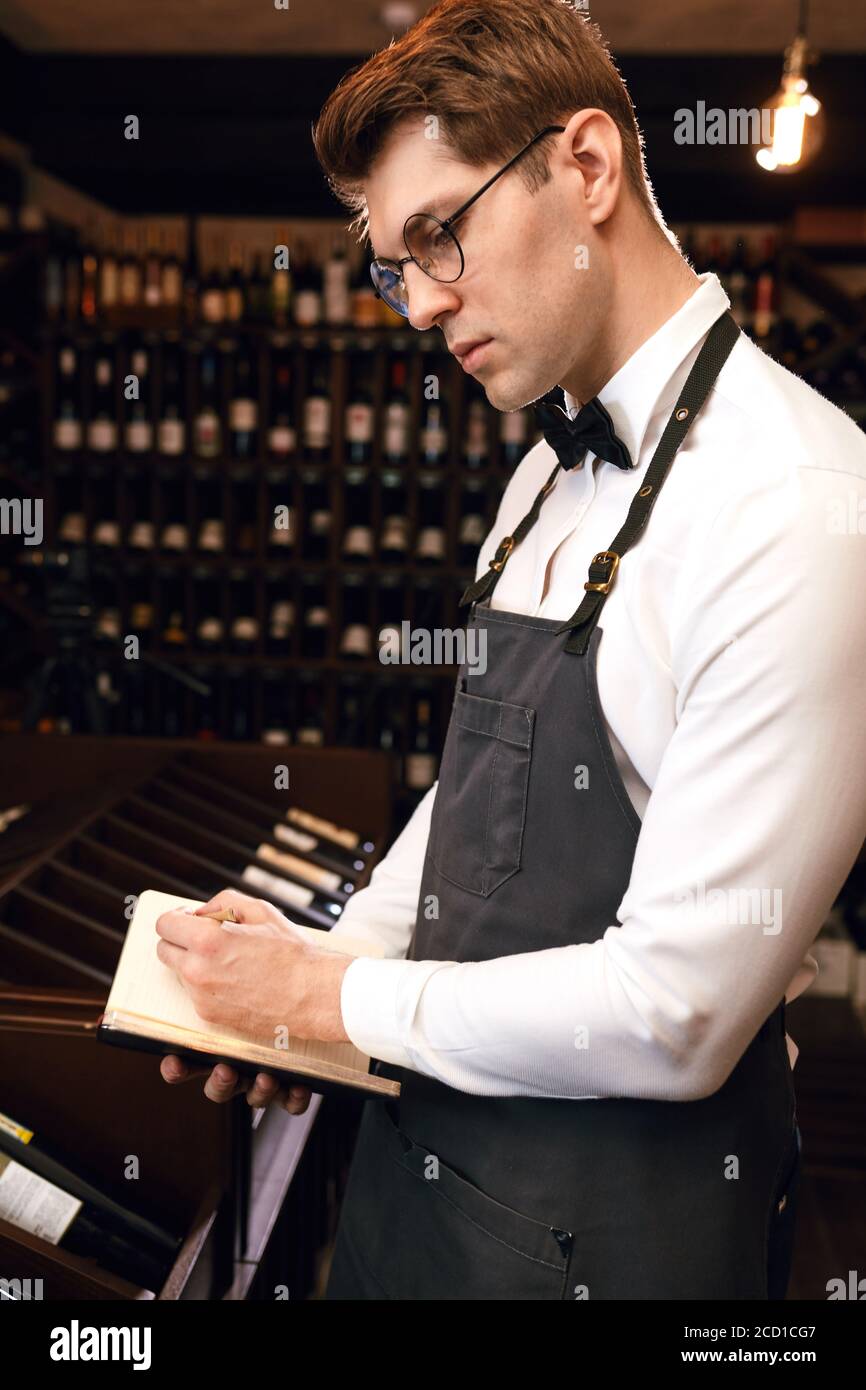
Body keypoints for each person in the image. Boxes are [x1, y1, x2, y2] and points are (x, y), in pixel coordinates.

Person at [157, 0, 866, 1299]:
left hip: (616, 1246)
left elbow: (675, 1012)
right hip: (413, 1191)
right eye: (392, 265)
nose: (418, 304)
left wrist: (333, 1005)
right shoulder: (539, 473)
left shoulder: (801, 501)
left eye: (441, 235)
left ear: (584, 167)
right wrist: (325, 961)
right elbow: (478, 795)